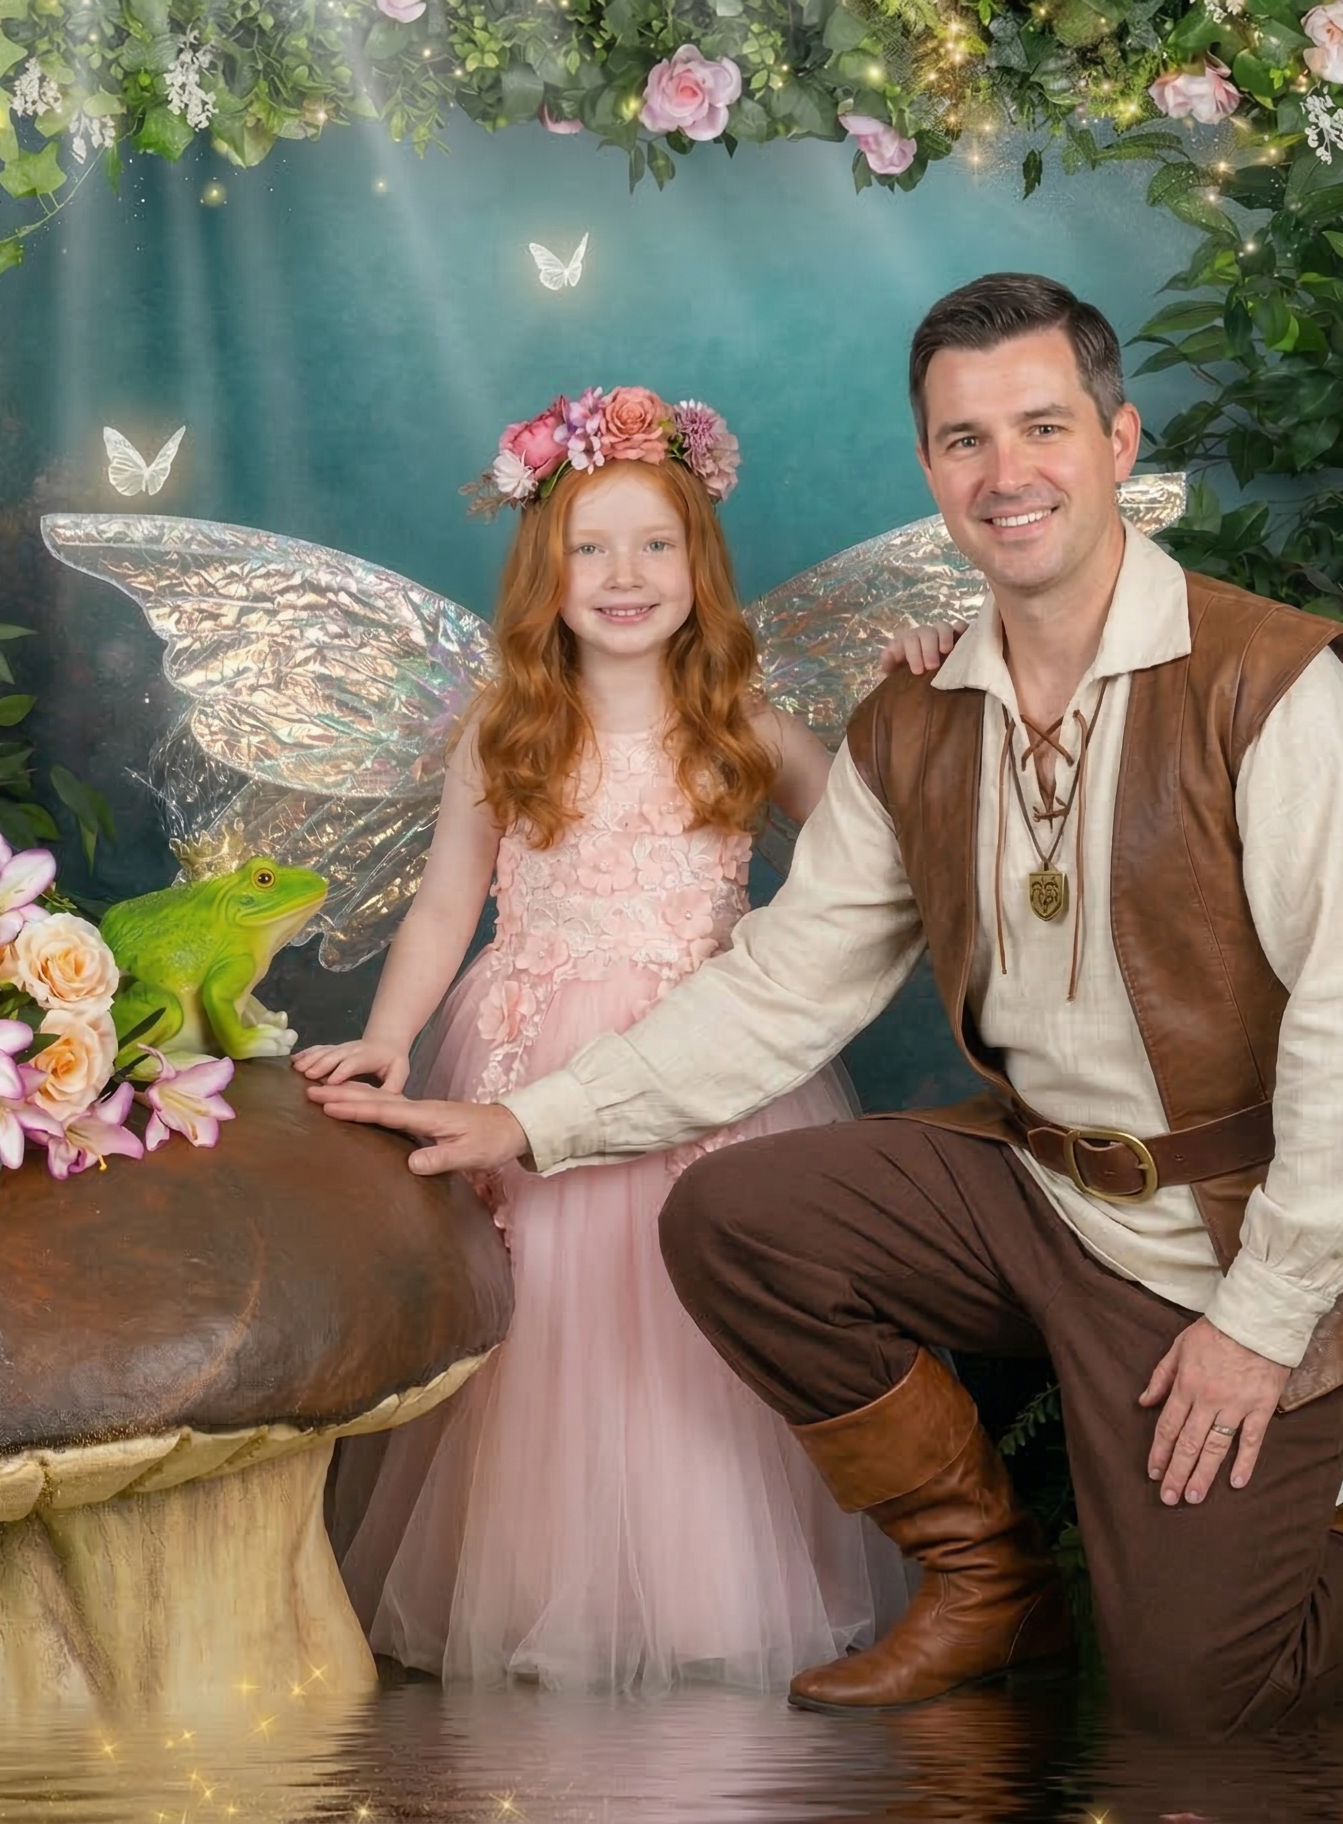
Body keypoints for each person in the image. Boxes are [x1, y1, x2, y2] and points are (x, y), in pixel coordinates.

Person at [309, 278, 1343, 1737]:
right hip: (1035, 1186)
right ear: (928, 468)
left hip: (1225, 1231)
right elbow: (786, 984)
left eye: (1042, 427)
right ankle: (989, 1579)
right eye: (966, 440)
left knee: (1196, 1695)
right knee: (733, 1218)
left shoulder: (1274, 686)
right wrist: (529, 1123)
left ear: (1117, 440)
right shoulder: (915, 717)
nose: (1005, 472)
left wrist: (1265, 1317)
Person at [296, 385, 905, 1693]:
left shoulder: (744, 722)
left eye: (655, 545)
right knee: (547, 1327)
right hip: (530, 1057)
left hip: (706, 1060)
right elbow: (447, 905)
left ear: (699, 562)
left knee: (695, 1323)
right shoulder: (508, 726)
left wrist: (925, 705)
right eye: (591, 549)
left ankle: (706, 1596)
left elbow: (870, 852)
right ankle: (532, 1594)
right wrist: (391, 1038)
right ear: (546, 570)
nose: (625, 577)